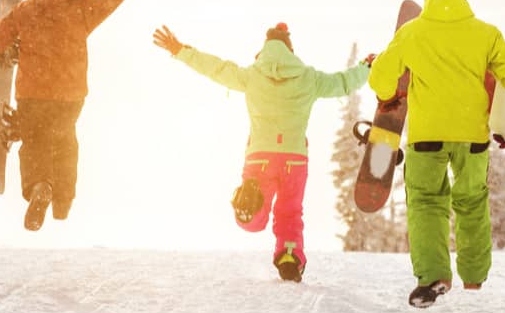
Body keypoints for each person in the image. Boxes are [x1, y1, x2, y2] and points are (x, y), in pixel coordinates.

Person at [153, 23, 373, 282]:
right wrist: (365, 67)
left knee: (252, 219)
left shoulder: (252, 75)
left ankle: (250, 210)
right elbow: (343, 83)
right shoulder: (308, 77)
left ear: (264, 48)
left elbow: (216, 69)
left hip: (260, 157)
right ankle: (289, 256)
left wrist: (181, 51)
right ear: (290, 49)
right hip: (294, 158)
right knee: (290, 211)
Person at [368, 0, 505, 307]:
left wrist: (388, 95)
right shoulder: (486, 33)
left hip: (427, 137)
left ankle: (433, 276)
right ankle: (473, 274)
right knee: (472, 200)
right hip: (472, 136)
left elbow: (381, 76)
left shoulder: (412, 33)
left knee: (426, 202)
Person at [0, 0, 154, 231]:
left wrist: (11, 46)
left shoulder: (28, 8)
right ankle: (62, 199)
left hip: (32, 93)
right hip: (70, 98)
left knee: (35, 142)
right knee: (65, 141)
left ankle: (40, 186)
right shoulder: (84, 10)